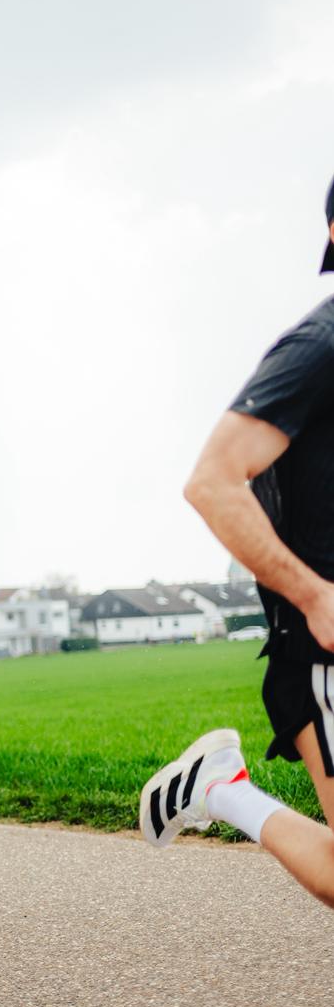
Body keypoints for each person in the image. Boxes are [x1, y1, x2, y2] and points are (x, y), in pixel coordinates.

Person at [141, 173, 334, 913]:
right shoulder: (321, 344)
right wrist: (314, 596)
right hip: (322, 652)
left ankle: (222, 788)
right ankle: (226, 793)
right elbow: (214, 482)